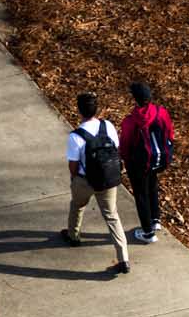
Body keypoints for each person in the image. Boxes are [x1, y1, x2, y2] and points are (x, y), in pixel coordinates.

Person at [63, 92, 129, 271]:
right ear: (97, 109)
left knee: (77, 205)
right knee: (112, 216)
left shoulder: (75, 136)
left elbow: (73, 165)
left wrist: (75, 179)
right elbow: (116, 149)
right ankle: (123, 258)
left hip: (85, 181)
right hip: (108, 179)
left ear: (79, 111)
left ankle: (74, 236)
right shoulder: (107, 126)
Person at [118, 82, 175, 243]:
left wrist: (125, 159)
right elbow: (170, 133)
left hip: (139, 163)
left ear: (135, 100)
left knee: (140, 194)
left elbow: (125, 144)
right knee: (152, 185)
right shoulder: (161, 112)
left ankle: (148, 232)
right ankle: (155, 219)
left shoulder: (130, 121)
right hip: (159, 159)